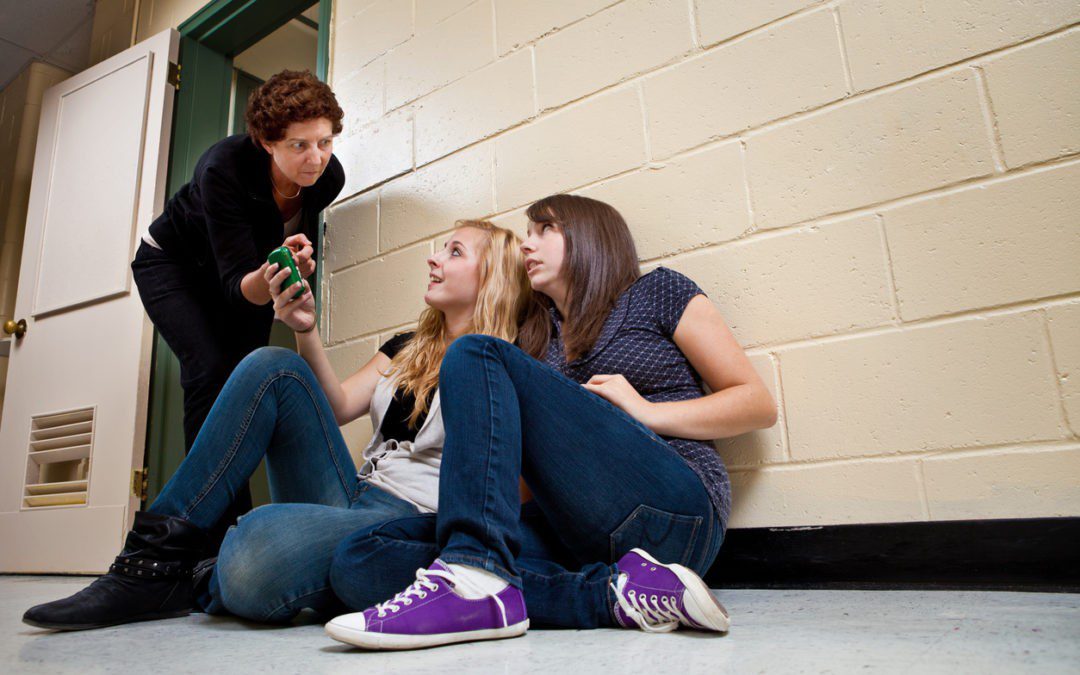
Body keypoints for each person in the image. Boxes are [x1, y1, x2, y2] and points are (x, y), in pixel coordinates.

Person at [23, 220, 531, 631]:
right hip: (355, 491)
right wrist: (305, 330)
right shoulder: (405, 346)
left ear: (493, 278)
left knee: (253, 549)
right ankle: (149, 562)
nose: (434, 258)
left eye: (455, 252)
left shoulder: (504, 365)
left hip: (411, 518)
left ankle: (206, 576)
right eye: (441, 249)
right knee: (273, 365)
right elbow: (334, 408)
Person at [322, 194, 778, 650]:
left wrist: (645, 411)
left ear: (589, 237)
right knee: (359, 559)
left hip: (672, 511)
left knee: (474, 351)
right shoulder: (536, 339)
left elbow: (756, 404)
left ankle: (475, 574)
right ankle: (612, 596)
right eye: (527, 233)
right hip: (581, 536)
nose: (527, 245)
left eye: (544, 230)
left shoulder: (655, 293)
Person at [130, 69, 345, 531]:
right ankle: (202, 533)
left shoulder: (328, 178)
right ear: (267, 142)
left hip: (245, 270)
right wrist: (271, 272)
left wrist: (292, 261)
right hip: (173, 265)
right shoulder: (222, 167)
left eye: (325, 142)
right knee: (209, 370)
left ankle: (240, 530)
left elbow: (271, 249)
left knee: (249, 378)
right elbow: (236, 284)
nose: (316, 158)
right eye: (299, 145)